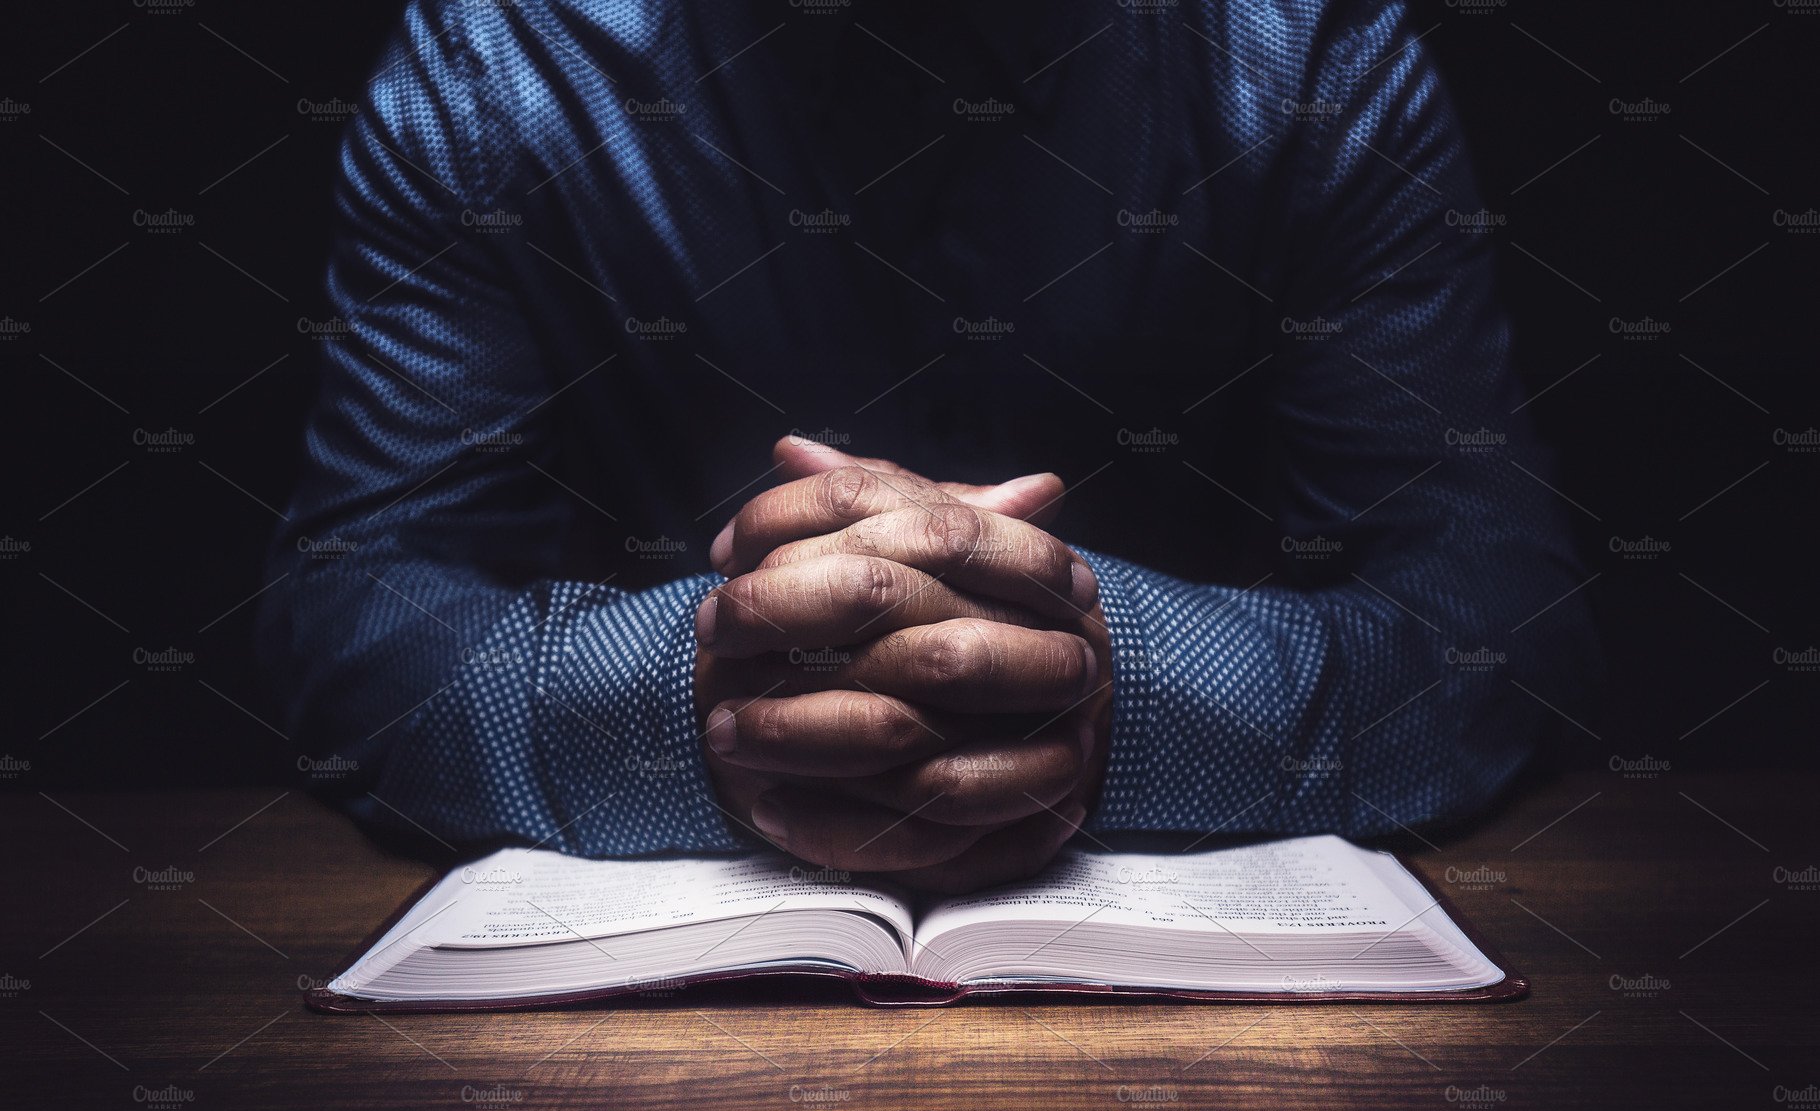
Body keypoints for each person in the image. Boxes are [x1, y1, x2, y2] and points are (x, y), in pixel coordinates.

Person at [261, 1, 1597, 892]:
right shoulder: (496, 64)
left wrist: (1106, 675)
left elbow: (1496, 619)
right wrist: (708, 681)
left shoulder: (1302, 54)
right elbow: (354, 611)